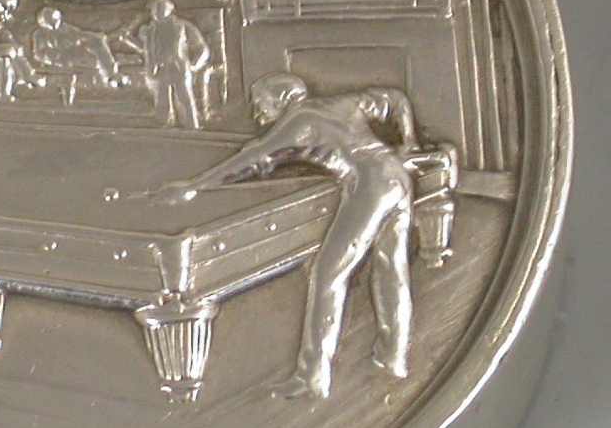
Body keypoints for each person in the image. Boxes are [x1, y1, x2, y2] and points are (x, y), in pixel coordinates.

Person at [156, 73, 419, 399]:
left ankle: (313, 378)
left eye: (260, 103)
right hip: (397, 175)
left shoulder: (299, 121)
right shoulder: (341, 103)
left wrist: (195, 186)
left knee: (328, 276)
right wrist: (409, 141)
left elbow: (255, 157)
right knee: (392, 270)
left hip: (370, 183)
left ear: (282, 99)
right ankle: (393, 361)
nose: (257, 113)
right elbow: (395, 98)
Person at [127, 0, 210, 128]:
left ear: (170, 9)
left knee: (183, 97)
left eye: (160, 8)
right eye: (154, 9)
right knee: (162, 99)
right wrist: (130, 41)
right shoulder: (149, 30)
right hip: (158, 67)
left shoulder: (182, 26)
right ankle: (164, 125)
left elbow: (200, 47)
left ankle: (191, 124)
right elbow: (146, 50)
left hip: (178, 66)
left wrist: (194, 64)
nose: (157, 11)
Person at [30, 6, 123, 101]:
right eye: (52, 19)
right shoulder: (39, 34)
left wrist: (98, 37)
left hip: (74, 54)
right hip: (61, 59)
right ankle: (111, 76)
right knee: (94, 46)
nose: (55, 21)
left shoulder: (66, 28)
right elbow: (39, 53)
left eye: (56, 18)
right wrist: (54, 56)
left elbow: (79, 35)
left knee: (97, 42)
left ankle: (110, 75)